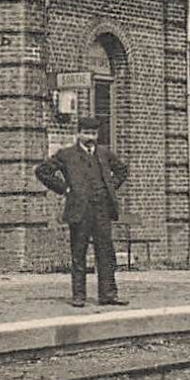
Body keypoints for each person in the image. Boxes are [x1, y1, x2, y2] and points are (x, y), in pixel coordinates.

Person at [35, 117, 131, 308]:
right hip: (80, 210)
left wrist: (110, 187)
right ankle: (79, 295)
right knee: (79, 253)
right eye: (86, 133)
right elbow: (42, 171)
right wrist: (64, 188)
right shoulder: (66, 155)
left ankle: (108, 294)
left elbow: (122, 170)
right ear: (78, 134)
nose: (90, 138)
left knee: (106, 252)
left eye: (94, 134)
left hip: (102, 209)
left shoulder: (104, 154)